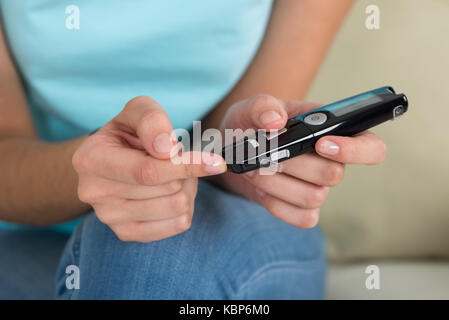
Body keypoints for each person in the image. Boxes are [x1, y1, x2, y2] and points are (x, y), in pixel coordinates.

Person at [0, 0, 386, 299]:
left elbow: (230, 148)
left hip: (226, 222)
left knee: (150, 254)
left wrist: (239, 159)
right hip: (32, 232)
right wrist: (90, 171)